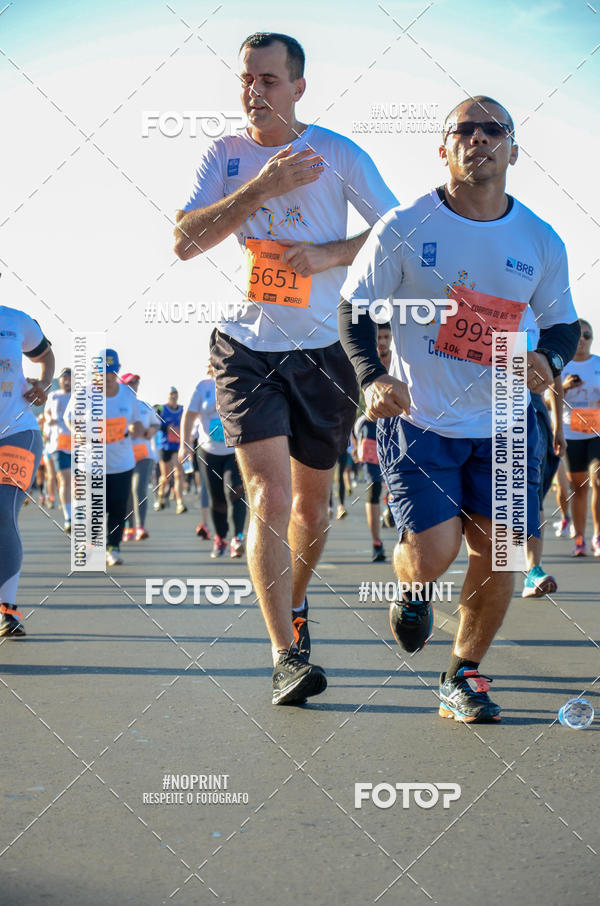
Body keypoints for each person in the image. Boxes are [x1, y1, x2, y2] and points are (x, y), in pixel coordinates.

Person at [339, 95, 580, 723]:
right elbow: (354, 309)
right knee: (435, 552)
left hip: (506, 422)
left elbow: (562, 322)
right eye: (464, 130)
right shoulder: (403, 226)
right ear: (443, 148)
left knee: (501, 552)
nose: (479, 139)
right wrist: (372, 376)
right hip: (424, 419)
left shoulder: (539, 238)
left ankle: (462, 674)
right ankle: (412, 589)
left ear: (513, 150)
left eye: (493, 129)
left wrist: (549, 358)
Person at [174, 32, 398, 704]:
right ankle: (285, 655)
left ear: (299, 87)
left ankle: (293, 603)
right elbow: (184, 240)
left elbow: (399, 232)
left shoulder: (337, 153)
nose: (255, 91)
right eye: (246, 79)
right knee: (268, 497)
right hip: (244, 347)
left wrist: (331, 254)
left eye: (269, 80)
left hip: (326, 349)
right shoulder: (224, 155)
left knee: (310, 507)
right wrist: (261, 187)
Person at [0, 305, 54, 637]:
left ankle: (6, 609)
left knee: (3, 514)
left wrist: (43, 384)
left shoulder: (15, 320)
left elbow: (45, 356)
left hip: (17, 430)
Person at [65, 349, 143, 567]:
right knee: (94, 507)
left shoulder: (127, 394)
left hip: (121, 462)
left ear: (117, 371)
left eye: (111, 372)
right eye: (103, 372)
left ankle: (113, 548)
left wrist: (137, 429)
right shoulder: (84, 393)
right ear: (95, 372)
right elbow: (69, 418)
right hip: (92, 462)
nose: (107, 377)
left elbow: (136, 420)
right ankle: (89, 545)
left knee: (118, 507)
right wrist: (77, 431)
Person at [179, 365, 247, 558]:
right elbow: (189, 416)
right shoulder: (203, 387)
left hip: (235, 451)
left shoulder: (240, 382)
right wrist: (184, 446)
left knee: (235, 491)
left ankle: (238, 538)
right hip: (209, 452)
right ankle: (220, 538)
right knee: (217, 498)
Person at [522, 376, 564, 596]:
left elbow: (555, 379)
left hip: (532, 414)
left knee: (532, 492)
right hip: (478, 414)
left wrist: (558, 429)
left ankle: (532, 570)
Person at [561, 319, 600, 556]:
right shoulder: (562, 365)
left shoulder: (598, 364)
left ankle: (598, 535)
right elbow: (547, 401)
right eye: (578, 336)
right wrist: (564, 387)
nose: (582, 341)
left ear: (592, 339)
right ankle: (579, 539)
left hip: (597, 432)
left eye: (587, 335)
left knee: (598, 479)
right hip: (571, 433)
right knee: (579, 488)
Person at [119, 373, 160, 542]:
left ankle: (140, 527)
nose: (133, 386)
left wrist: (151, 430)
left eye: (135, 383)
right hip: (123, 454)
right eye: (130, 383)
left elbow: (156, 423)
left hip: (144, 455)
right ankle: (128, 526)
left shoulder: (144, 406)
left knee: (139, 489)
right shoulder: (116, 406)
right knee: (126, 492)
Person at [44, 367, 72, 532]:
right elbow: (47, 413)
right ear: (60, 380)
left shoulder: (79, 396)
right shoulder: (53, 396)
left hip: (77, 443)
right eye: (64, 378)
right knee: (64, 479)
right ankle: (69, 518)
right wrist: (49, 419)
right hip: (59, 443)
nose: (67, 381)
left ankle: (76, 512)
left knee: (77, 483)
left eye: (70, 378)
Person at [155, 388, 186, 514]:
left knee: (178, 474)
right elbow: (155, 424)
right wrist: (166, 428)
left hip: (177, 446)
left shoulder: (182, 409)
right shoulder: (161, 409)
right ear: (167, 396)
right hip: (165, 446)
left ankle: (180, 503)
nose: (173, 396)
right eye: (171, 394)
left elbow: (188, 423)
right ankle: (160, 497)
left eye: (175, 394)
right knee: (166, 476)